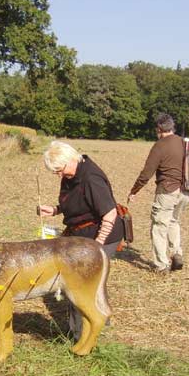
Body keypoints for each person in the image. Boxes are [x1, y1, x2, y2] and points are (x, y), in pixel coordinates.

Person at [37, 140, 124, 338]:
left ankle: (78, 335)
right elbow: (79, 203)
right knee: (93, 281)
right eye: (55, 172)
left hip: (102, 235)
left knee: (78, 284)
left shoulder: (91, 178)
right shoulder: (71, 174)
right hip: (81, 235)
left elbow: (109, 213)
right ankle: (102, 319)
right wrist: (55, 210)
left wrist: (97, 246)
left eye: (59, 170)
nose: (58, 175)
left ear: (70, 159)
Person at [127, 112, 189, 273]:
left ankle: (161, 265)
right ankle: (176, 253)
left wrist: (134, 191)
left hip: (167, 191)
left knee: (159, 226)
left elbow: (146, 173)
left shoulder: (159, 146)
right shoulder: (185, 143)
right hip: (186, 192)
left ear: (159, 128)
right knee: (174, 221)